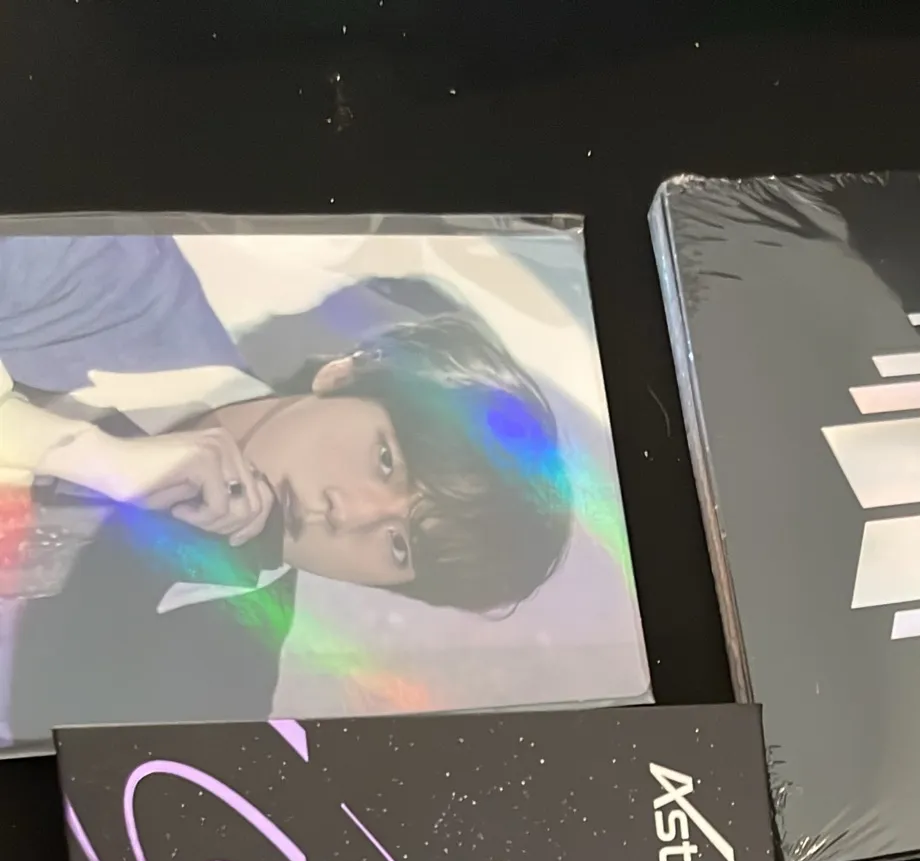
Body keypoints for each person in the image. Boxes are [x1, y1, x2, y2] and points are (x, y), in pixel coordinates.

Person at [0, 233, 573, 738]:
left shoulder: (220, 698)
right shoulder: (101, 266)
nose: (349, 514)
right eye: (384, 460)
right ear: (343, 374)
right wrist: (84, 453)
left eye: (399, 545)